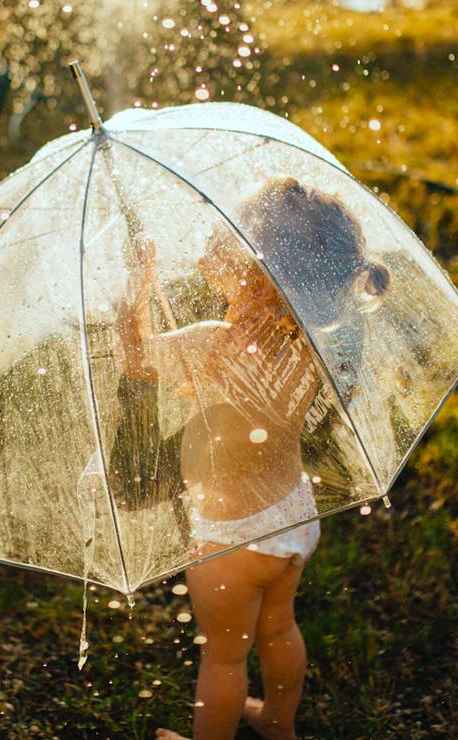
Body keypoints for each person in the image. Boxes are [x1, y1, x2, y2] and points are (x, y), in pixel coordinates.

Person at [116, 178, 388, 740]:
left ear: (261, 276)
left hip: (230, 537)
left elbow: (136, 360)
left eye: (233, 242)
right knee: (279, 627)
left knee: (223, 657)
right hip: (292, 514)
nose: (217, 246)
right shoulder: (315, 343)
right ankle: (280, 725)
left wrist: (135, 296)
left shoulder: (214, 344)